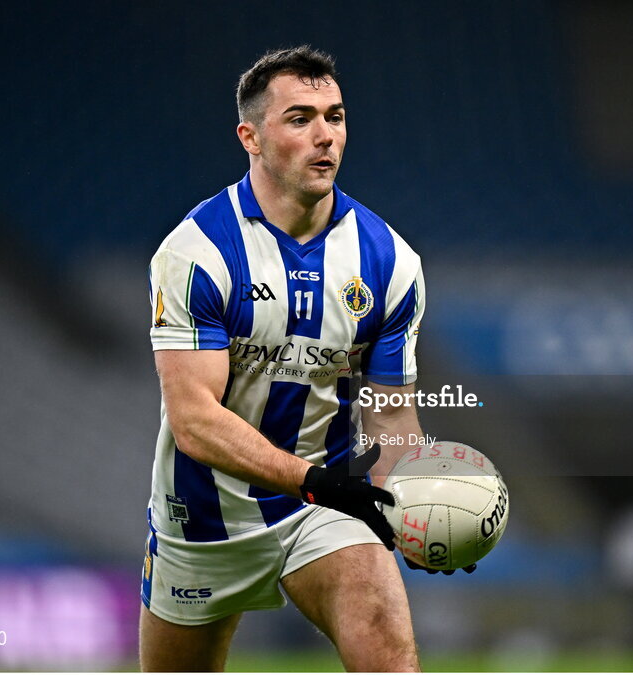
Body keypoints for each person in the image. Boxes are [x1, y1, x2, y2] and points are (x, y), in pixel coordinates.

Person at [139, 46, 464, 672]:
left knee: (390, 657)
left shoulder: (391, 263)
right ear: (251, 137)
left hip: (327, 508)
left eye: (335, 116)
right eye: (300, 118)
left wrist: (419, 508)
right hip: (203, 512)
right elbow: (194, 420)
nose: (325, 136)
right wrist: (314, 481)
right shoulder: (197, 252)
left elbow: (392, 419)